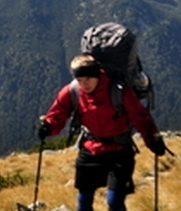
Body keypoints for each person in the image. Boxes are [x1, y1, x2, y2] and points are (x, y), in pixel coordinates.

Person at [38, 54, 169, 211]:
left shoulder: (120, 91)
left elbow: (140, 117)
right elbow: (57, 115)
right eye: (80, 80)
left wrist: (152, 139)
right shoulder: (72, 91)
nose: (83, 84)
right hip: (91, 148)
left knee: (114, 201)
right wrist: (48, 128)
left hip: (120, 151)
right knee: (84, 200)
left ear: (97, 74)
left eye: (87, 79)